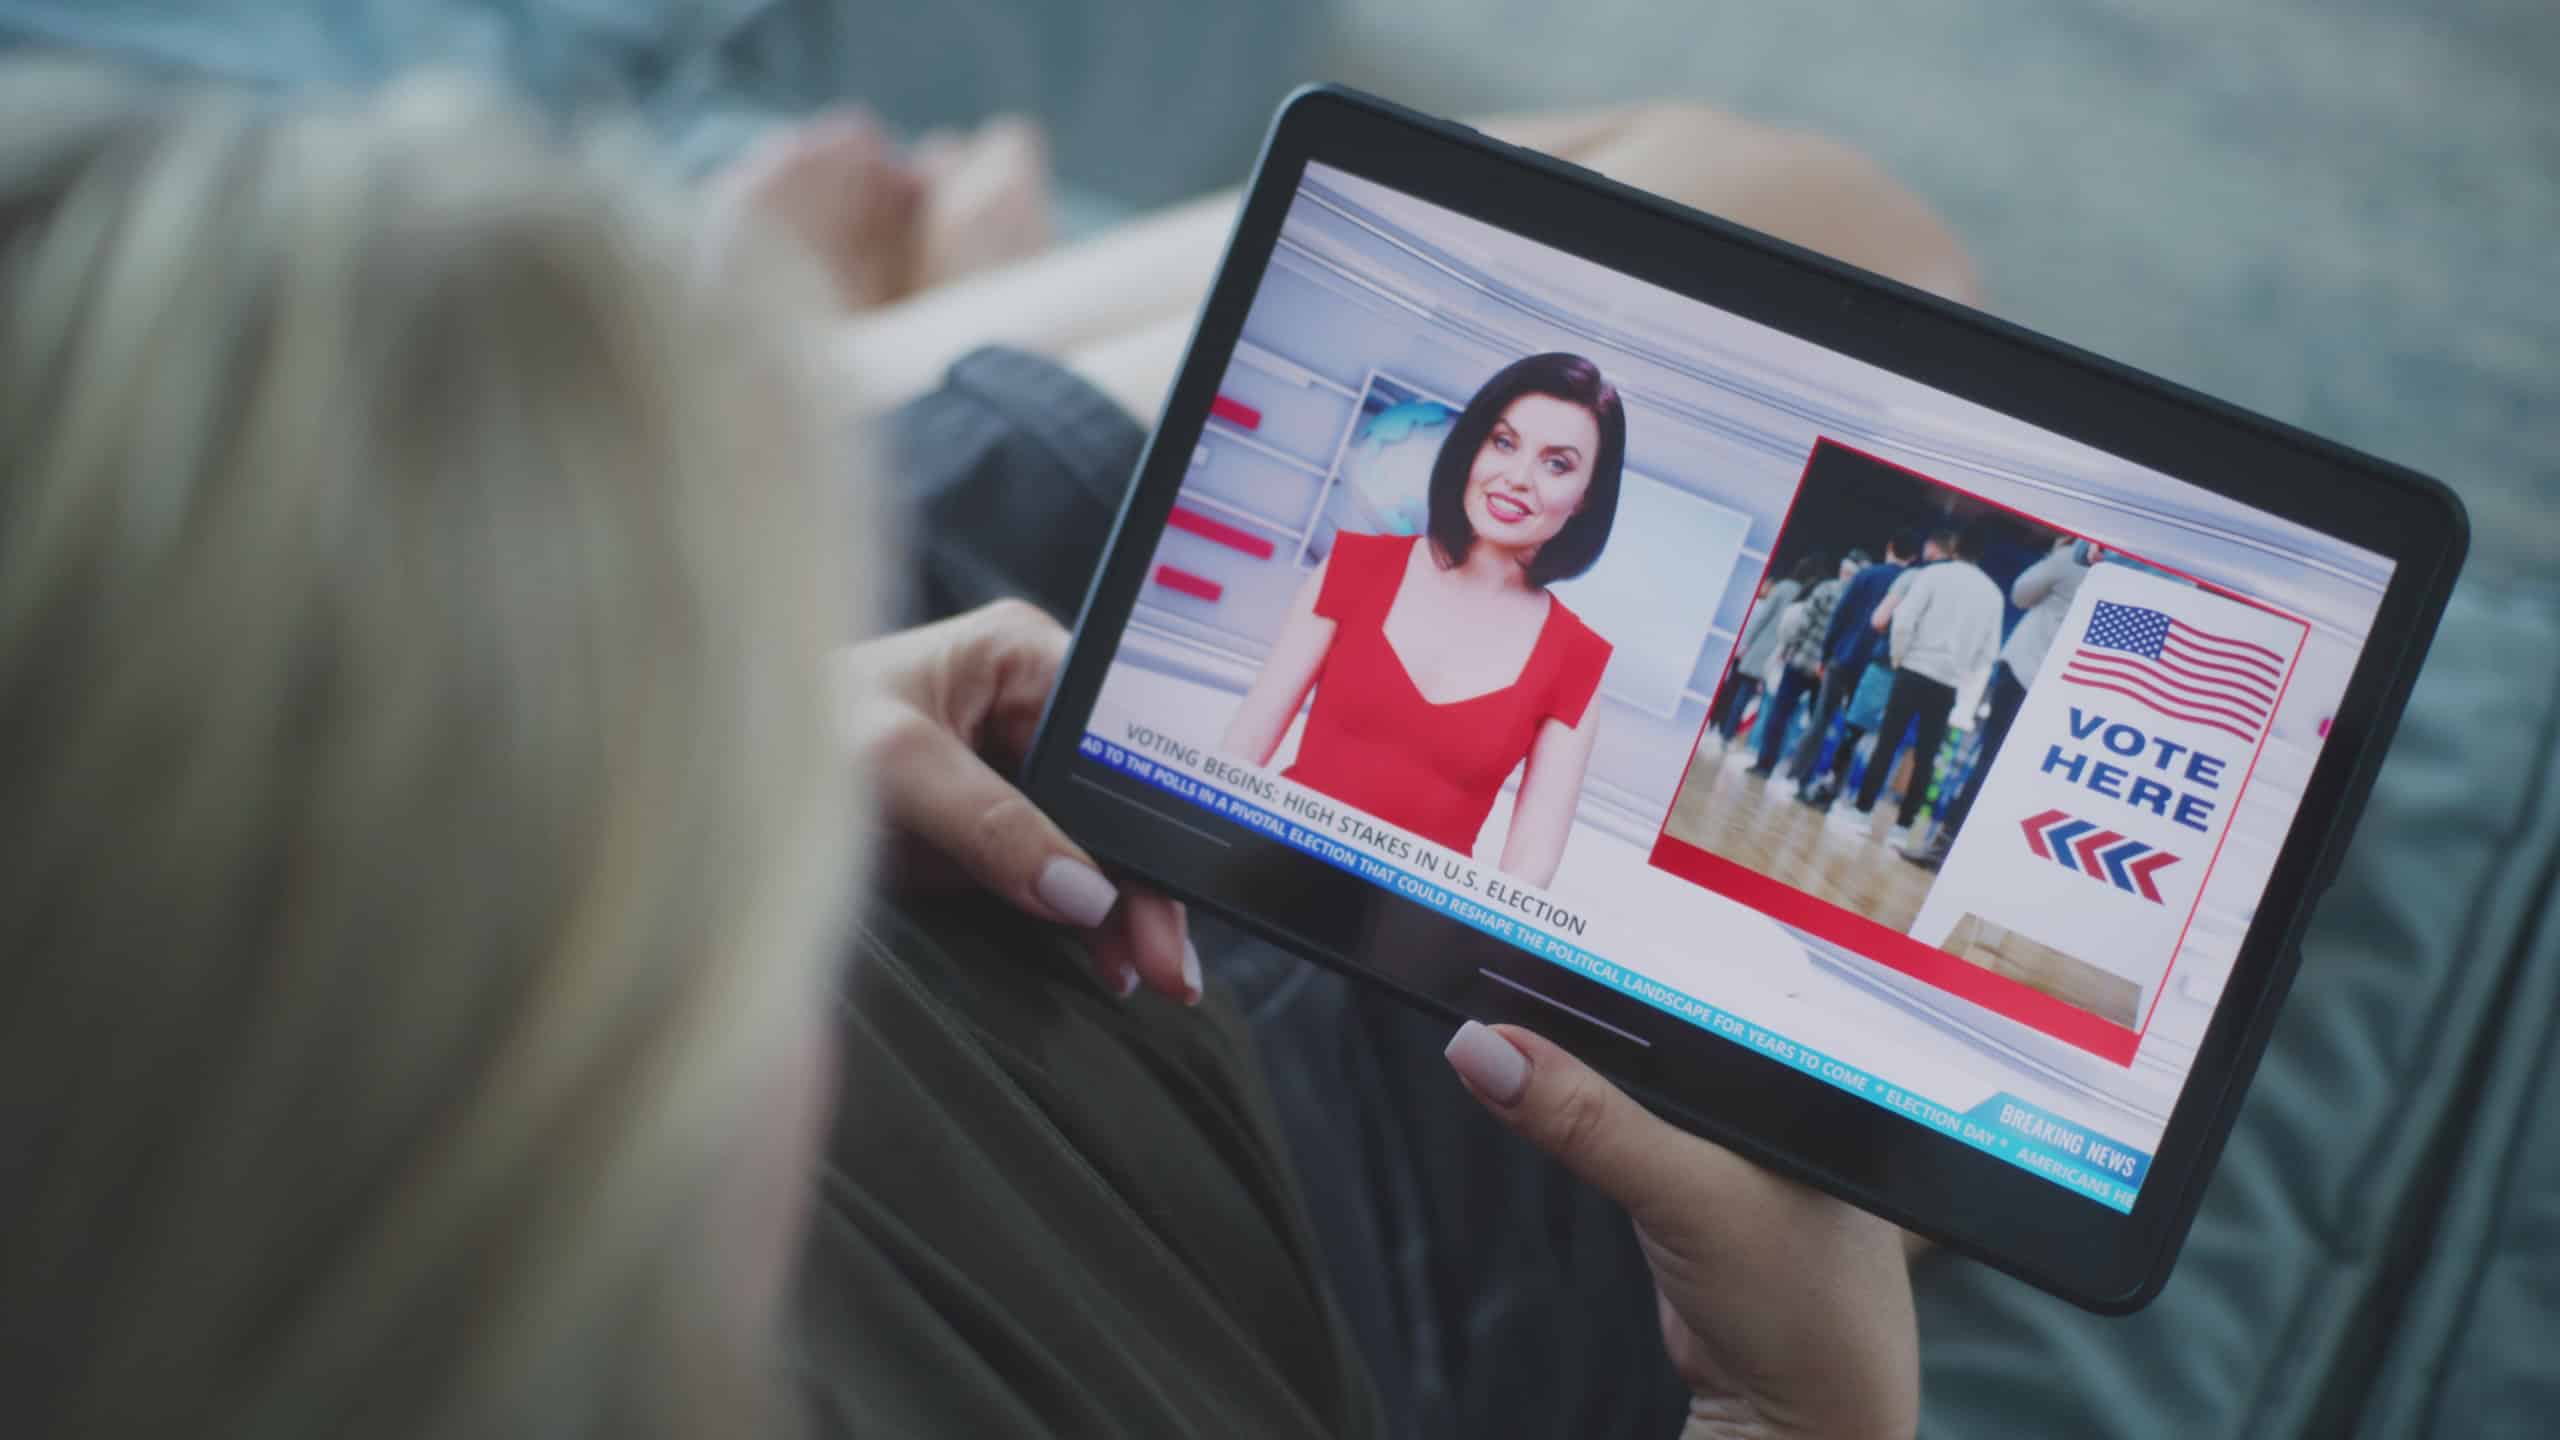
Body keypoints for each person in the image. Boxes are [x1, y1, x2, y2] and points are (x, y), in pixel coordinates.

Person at [1, 63, 1926, 1440]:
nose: (1523, 473)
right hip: (1212, 1043)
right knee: (1807, 213)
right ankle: (780, 373)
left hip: (860, 704)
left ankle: (739, 405)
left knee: (1702, 184)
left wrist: (734, 704)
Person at [1220, 353, 1622, 887]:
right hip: (1260, 871)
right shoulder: (1352, 569)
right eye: (1504, 442)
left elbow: (1529, 870)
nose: (1518, 478)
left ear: (1586, 497)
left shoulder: (1578, 661)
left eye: (1557, 464)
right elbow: (1237, 757)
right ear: (1474, 446)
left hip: (1405, 934)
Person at [1902, 534, 2093, 869]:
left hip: (2022, 674)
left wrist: (2056, 553)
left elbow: (2021, 593)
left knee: (1987, 764)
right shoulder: (2126, 581)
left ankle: (1944, 847)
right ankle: (1981, 858)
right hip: (2060, 689)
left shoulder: (2073, 559)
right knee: (2018, 776)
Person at [1834, 525, 2005, 849]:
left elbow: (1904, 620)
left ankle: (1862, 812)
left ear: (1954, 547)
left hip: (1912, 670)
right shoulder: (1993, 595)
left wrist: (1900, 659)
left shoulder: (1933, 576)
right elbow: (1988, 653)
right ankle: (1903, 826)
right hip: (1947, 683)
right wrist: (1961, 675)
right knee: (1927, 757)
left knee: (1887, 743)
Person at [1794, 530, 1921, 806]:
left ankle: (1799, 779)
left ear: (1889, 546)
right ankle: (1831, 792)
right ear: (1913, 557)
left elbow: (1839, 616)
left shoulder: (1866, 575)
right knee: (1854, 733)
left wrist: (1825, 655)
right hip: (1874, 668)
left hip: (1842, 659)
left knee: (1820, 721)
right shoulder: (1910, 587)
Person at [1747, 551, 1848, 780]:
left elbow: (1803, 622)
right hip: (1826, 671)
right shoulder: (1853, 598)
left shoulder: (1826, 589)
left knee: (1780, 713)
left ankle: (1765, 765)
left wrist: (1787, 648)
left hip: (1800, 660)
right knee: (1815, 724)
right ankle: (1799, 775)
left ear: (1843, 570)